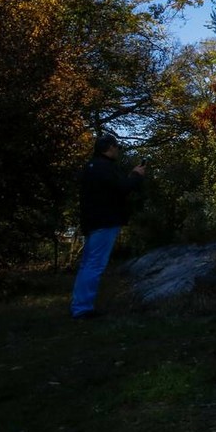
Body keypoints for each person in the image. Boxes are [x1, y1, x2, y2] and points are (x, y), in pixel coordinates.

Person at [70, 135, 145, 319]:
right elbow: (123, 188)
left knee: (87, 264)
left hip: (92, 221)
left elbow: (110, 188)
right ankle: (83, 309)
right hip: (105, 221)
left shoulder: (91, 167)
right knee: (95, 264)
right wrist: (136, 175)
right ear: (109, 148)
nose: (118, 149)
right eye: (117, 146)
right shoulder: (105, 168)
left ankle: (79, 304)